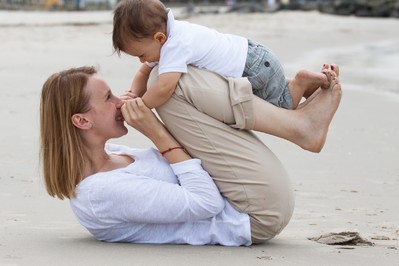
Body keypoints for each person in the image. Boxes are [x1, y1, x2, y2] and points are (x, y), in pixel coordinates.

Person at [39, 65, 341, 246]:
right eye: (108, 99)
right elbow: (205, 203)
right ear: (81, 121)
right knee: (172, 87)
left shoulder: (111, 153)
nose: (120, 102)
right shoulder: (98, 193)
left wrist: (148, 66)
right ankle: (298, 124)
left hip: (238, 194)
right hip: (251, 216)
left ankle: (288, 101)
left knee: (166, 77)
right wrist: (154, 130)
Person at [112, 0, 337, 112]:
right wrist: (133, 93)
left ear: (159, 38)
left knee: (282, 108)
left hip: (251, 69)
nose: (142, 61)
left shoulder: (174, 46)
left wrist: (141, 105)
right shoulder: (171, 34)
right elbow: (144, 71)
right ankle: (314, 85)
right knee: (277, 88)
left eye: (141, 54)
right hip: (255, 56)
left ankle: (301, 82)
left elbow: (163, 88)